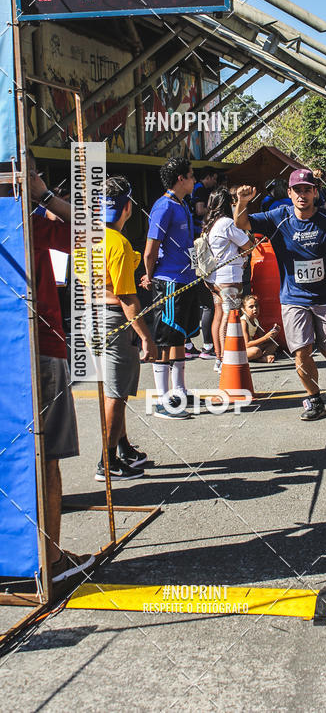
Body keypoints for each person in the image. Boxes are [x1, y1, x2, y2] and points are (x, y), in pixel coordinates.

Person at [234, 169, 326, 421]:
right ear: (289, 193)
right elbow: (241, 223)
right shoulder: (278, 217)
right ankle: (315, 399)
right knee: (301, 352)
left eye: (308, 189)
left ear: (315, 192)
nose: (303, 195)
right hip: (294, 299)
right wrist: (242, 202)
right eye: (298, 190)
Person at [29, 155, 96, 583]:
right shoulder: (36, 224)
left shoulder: (31, 225)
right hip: (44, 350)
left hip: (21, 350)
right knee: (48, 457)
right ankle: (51, 560)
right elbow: (88, 233)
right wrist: (45, 194)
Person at [95, 176, 158, 481]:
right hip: (114, 317)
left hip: (92, 315)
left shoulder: (90, 237)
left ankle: (123, 448)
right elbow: (125, 297)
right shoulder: (117, 243)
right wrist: (147, 338)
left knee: (114, 388)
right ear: (127, 207)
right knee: (116, 393)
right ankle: (106, 463)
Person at [141, 157, 198, 419]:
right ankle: (162, 401)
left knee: (179, 337)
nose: (194, 180)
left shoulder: (182, 204)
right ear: (180, 179)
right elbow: (151, 248)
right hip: (169, 281)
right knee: (164, 339)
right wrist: (149, 275)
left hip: (185, 278)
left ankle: (179, 390)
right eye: (191, 175)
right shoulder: (163, 206)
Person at [203, 187, 254, 372]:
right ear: (228, 204)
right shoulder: (226, 223)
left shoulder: (209, 224)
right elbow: (248, 245)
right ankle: (226, 358)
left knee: (219, 314)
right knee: (229, 315)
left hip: (213, 278)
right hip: (229, 277)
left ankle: (219, 357)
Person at [186, 166, 218, 361]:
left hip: (195, 249)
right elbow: (199, 210)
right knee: (206, 301)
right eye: (214, 178)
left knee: (199, 299)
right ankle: (207, 345)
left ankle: (191, 343)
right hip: (197, 249)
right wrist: (213, 209)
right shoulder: (199, 189)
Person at [240, 295, 279, 362]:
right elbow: (246, 344)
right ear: (244, 309)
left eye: (256, 306)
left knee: (274, 344)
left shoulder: (256, 320)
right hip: (241, 349)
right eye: (251, 307)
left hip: (250, 347)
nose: (255, 308)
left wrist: (272, 334)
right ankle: (260, 358)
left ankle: (260, 358)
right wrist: (265, 337)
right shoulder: (243, 321)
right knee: (256, 351)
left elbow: (263, 338)